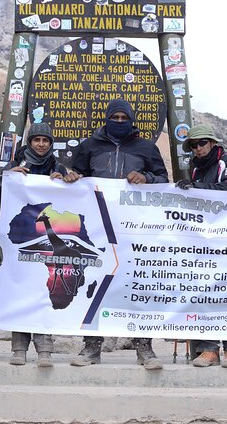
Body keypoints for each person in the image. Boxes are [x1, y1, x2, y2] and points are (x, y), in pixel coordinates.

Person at [63, 98, 168, 370]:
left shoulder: (146, 148)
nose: (119, 122)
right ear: (107, 118)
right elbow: (76, 177)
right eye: (115, 117)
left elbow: (163, 181)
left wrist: (147, 179)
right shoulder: (89, 146)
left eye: (124, 118)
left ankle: (145, 349)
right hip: (97, 227)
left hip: (135, 230)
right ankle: (91, 348)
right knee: (96, 283)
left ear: (132, 120)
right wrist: (72, 178)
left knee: (138, 284)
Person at [175, 124, 227, 369]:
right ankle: (209, 349)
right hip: (205, 241)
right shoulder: (196, 169)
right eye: (194, 145)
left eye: (202, 143)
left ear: (213, 142)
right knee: (204, 291)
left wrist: (197, 189)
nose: (198, 148)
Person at [0, 122, 66, 367]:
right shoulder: (15, 166)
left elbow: (70, 199)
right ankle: (18, 348)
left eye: (46, 140)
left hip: (47, 241)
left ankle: (45, 349)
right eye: (37, 140)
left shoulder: (58, 167)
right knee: (19, 291)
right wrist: (10, 179)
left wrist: (62, 181)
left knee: (46, 290)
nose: (42, 145)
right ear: (30, 142)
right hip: (19, 242)